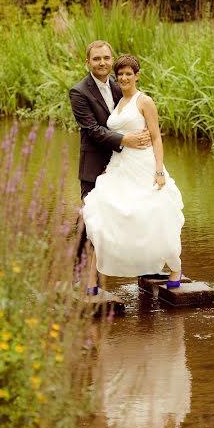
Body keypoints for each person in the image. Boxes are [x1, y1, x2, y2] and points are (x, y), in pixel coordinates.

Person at [81, 54, 184, 293]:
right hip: (120, 165)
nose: (124, 78)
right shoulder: (118, 103)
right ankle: (92, 279)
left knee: (155, 214)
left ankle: (175, 268)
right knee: (104, 213)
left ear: (137, 76)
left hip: (144, 165)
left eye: (129, 74)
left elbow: (156, 137)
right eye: (121, 75)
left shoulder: (144, 101)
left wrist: (159, 171)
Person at [69, 41, 150, 267]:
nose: (102, 62)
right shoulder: (79, 92)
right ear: (88, 63)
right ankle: (77, 272)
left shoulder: (119, 85)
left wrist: (144, 134)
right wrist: (126, 140)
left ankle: (143, 268)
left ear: (112, 60)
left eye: (106, 58)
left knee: (132, 212)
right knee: (88, 216)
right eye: (96, 59)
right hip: (94, 164)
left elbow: (132, 114)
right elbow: (93, 130)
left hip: (123, 163)